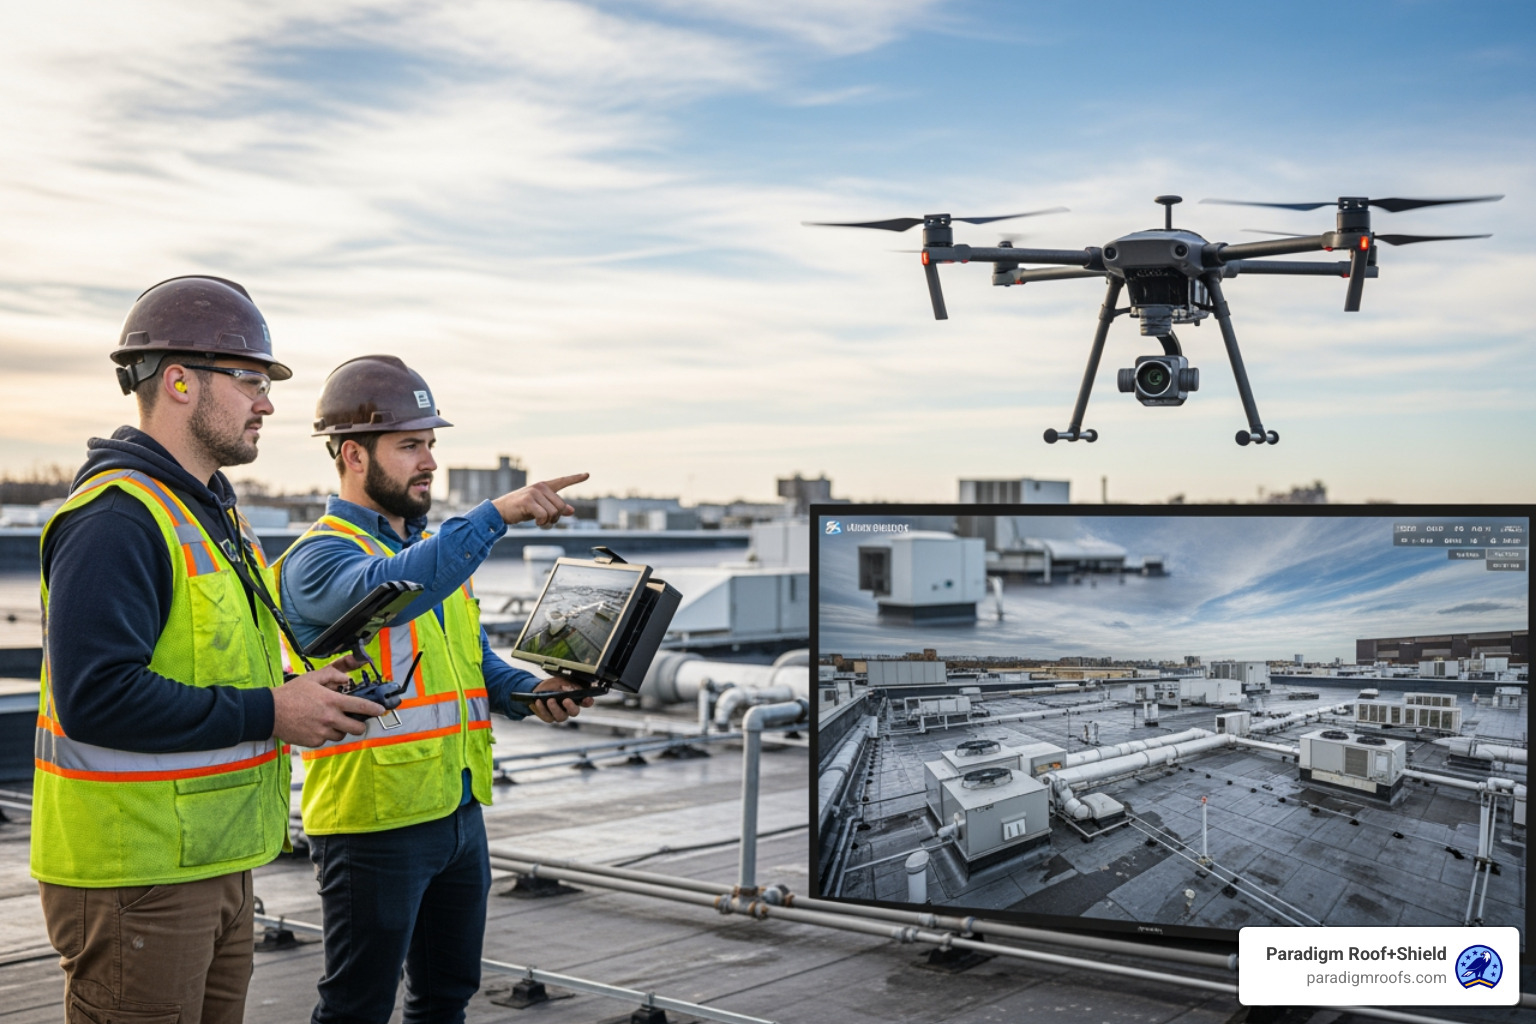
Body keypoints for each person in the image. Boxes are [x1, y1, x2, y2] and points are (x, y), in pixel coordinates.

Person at [32, 276, 385, 1024]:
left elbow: (204, 658)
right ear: (182, 382)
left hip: (211, 862)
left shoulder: (209, 511)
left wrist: (300, 686)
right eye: (251, 380)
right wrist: (271, 710)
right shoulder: (117, 520)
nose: (267, 402)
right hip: (137, 877)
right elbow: (97, 698)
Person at [274, 354, 593, 1024]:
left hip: (457, 812)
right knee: (356, 1007)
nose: (429, 462)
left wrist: (534, 693)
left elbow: (473, 666)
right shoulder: (318, 558)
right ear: (353, 455)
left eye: (432, 445)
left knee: (446, 997)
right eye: (410, 445)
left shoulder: (435, 557)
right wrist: (495, 514)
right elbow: (396, 583)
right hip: (374, 822)